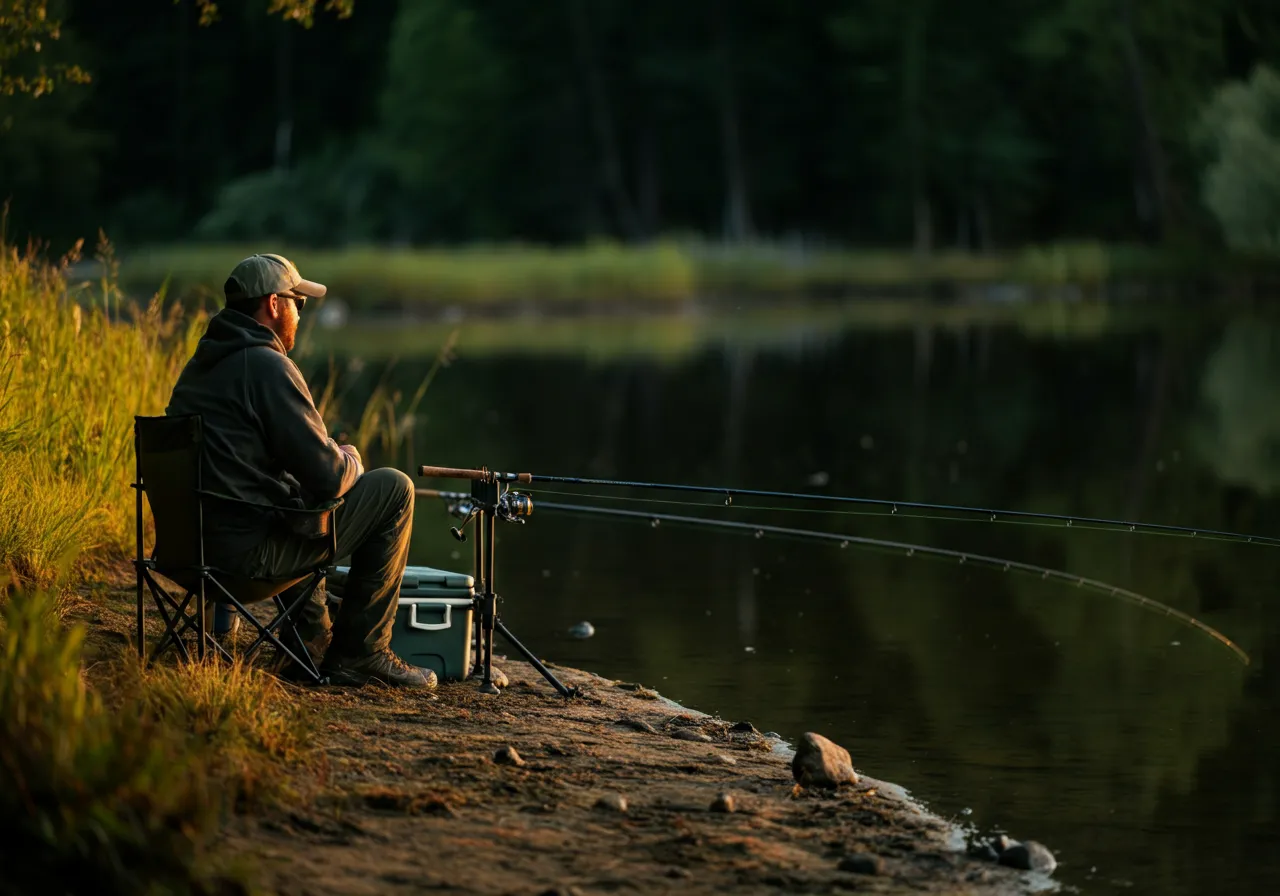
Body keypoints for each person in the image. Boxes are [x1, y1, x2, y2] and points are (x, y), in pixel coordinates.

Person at [164, 253, 434, 689]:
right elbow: (329, 476)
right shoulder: (267, 366)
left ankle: (308, 642)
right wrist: (351, 458)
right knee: (394, 489)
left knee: (295, 498)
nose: (300, 314)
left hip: (188, 551)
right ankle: (361, 653)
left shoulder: (199, 369)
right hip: (243, 562)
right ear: (273, 304)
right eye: (297, 303)